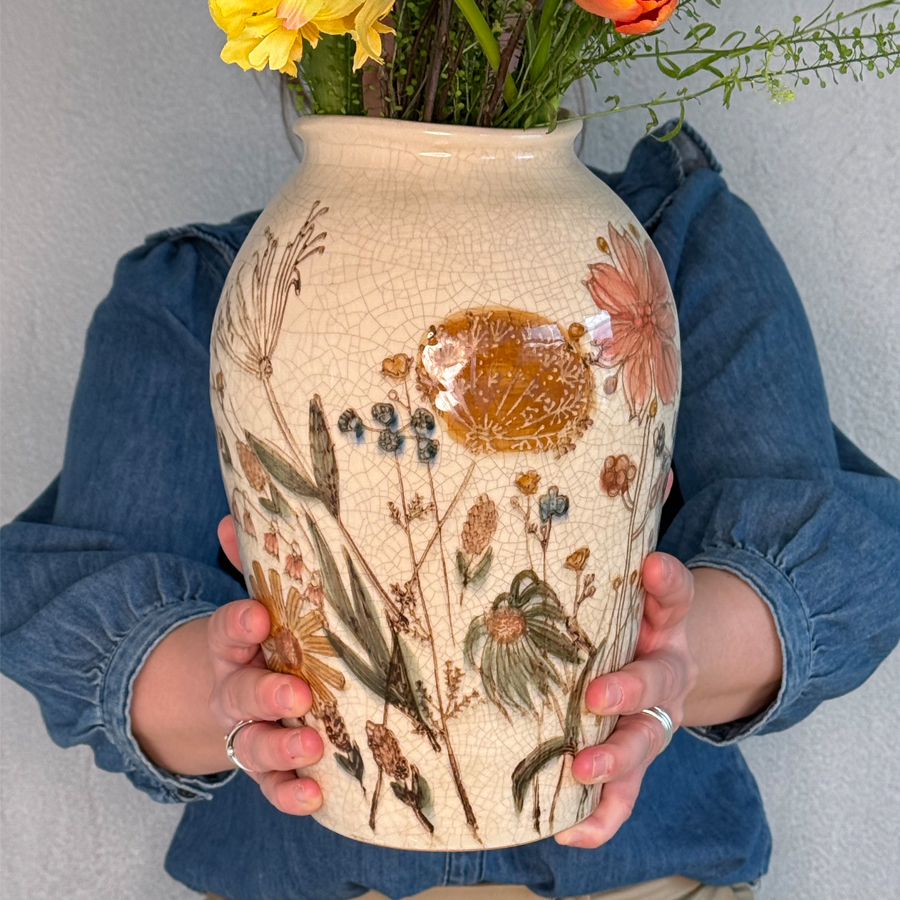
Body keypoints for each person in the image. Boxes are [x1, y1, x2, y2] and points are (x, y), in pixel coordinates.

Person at [2, 121, 899, 900]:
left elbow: (837, 571)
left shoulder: (654, 249)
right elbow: (90, 638)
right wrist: (232, 688)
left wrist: (674, 658)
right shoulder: (215, 290)